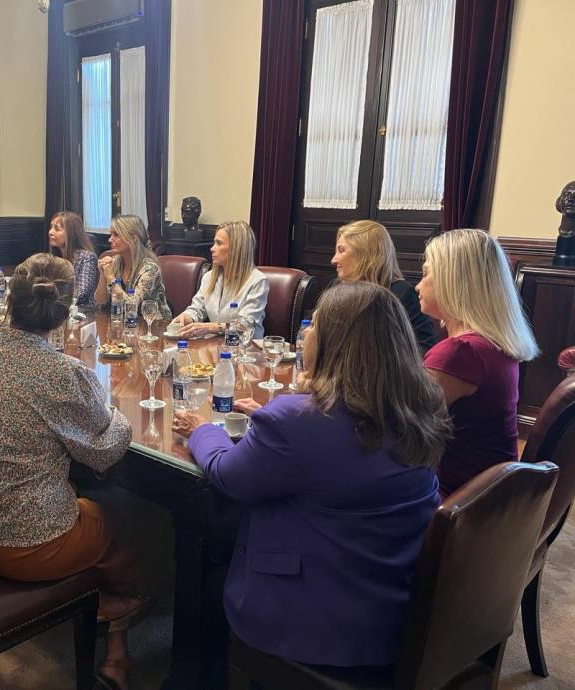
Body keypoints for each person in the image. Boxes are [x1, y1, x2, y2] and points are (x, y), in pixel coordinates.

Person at [173, 281, 449, 685]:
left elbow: (228, 474)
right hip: (394, 602)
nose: (305, 333)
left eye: (314, 325)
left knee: (212, 576)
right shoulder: (421, 403)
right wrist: (274, 423)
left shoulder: (299, 420)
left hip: (323, 625)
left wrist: (202, 429)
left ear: (336, 345)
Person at [0, 253, 148, 690]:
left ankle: (104, 607)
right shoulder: (66, 374)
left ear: (9, 304)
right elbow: (104, 453)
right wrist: (120, 417)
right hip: (31, 547)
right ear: (63, 315)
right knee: (125, 519)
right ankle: (118, 606)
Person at [417, 228, 539, 496]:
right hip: (491, 501)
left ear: (454, 281)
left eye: (426, 274)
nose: (418, 285)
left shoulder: (460, 352)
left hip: (455, 504)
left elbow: (400, 429)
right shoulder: (494, 343)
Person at [331, 220, 436, 353]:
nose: (334, 260)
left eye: (341, 251)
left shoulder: (403, 294)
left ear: (365, 255)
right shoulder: (336, 287)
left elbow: (425, 349)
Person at [170, 221, 269, 339]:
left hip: (246, 350)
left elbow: (246, 325)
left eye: (219, 243)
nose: (212, 248)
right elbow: (197, 309)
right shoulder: (209, 277)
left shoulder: (257, 281)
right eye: (214, 243)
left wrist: (210, 327)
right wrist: (186, 317)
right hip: (215, 347)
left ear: (236, 248)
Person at [94, 214, 170, 318]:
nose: (110, 239)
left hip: (153, 326)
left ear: (134, 239)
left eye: (116, 235)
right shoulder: (115, 262)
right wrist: (103, 274)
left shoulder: (150, 269)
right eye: (111, 234)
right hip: (124, 323)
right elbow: (101, 301)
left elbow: (132, 306)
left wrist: (111, 278)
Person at [48, 211, 98, 306]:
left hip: (83, 312)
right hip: (57, 309)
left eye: (57, 229)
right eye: (51, 227)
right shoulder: (53, 258)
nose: (51, 232)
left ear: (71, 234)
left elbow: (82, 294)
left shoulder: (87, 257)